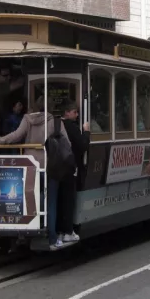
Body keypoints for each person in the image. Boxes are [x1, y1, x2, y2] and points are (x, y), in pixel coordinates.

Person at [0, 96, 69, 250]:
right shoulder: (56, 121)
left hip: (30, 166)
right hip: (50, 166)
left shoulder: (27, 119)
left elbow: (15, 136)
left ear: (35, 106)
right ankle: (52, 239)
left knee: (30, 197)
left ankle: (29, 229)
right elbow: (67, 143)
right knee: (51, 202)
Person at [58, 102, 90, 243]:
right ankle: (68, 231)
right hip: (71, 168)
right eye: (74, 112)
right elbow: (83, 145)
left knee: (59, 199)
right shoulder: (71, 127)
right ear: (67, 112)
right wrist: (86, 131)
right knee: (69, 199)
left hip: (56, 168)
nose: (77, 115)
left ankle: (59, 230)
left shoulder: (55, 124)